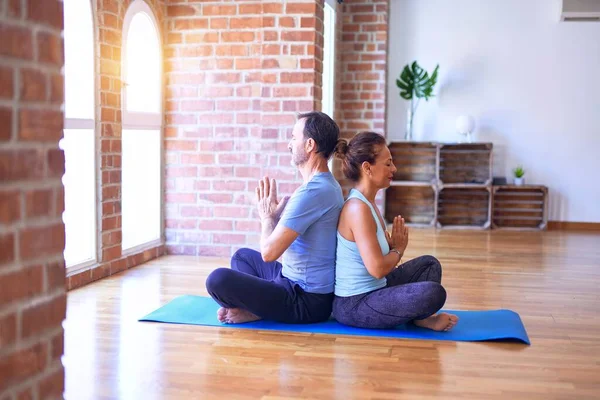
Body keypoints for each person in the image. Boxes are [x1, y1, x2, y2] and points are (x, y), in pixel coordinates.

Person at [206, 111, 345, 324]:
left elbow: (269, 253)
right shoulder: (326, 184)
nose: (289, 144)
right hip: (292, 281)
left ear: (309, 145)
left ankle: (256, 310)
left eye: (293, 138)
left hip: (307, 301)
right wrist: (276, 219)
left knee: (217, 280)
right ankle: (256, 309)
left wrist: (267, 218)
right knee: (242, 257)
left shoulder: (312, 192)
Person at [332, 131, 459, 331]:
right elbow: (377, 269)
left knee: (429, 264)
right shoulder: (358, 209)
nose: (394, 168)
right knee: (433, 293)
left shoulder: (368, 203)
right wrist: (398, 249)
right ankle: (424, 318)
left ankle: (420, 319)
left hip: (376, 288)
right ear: (367, 168)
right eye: (388, 163)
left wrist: (389, 247)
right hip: (355, 304)